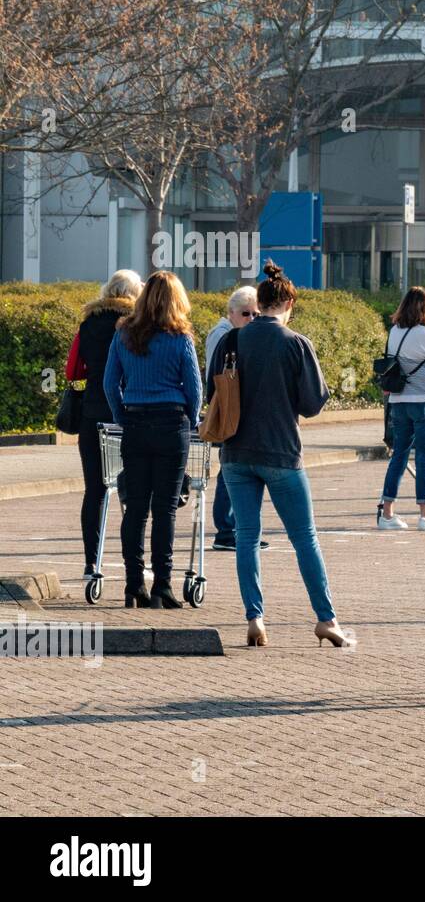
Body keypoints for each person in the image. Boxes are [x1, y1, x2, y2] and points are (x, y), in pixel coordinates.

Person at [208, 262, 353, 649]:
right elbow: (312, 404)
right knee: (305, 538)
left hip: (236, 452)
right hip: (281, 453)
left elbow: (213, 391)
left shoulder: (231, 341)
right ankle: (326, 619)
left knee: (246, 537)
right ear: (288, 302)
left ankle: (255, 617)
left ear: (259, 301)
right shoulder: (295, 343)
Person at [103, 271, 202, 609]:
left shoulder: (124, 334)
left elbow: (108, 383)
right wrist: (190, 420)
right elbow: (194, 388)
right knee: (165, 510)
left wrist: (122, 416)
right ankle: (163, 585)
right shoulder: (180, 338)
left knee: (136, 509)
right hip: (171, 424)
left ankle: (133, 585)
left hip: (135, 423)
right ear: (178, 301)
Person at [65, 270, 143, 587]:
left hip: (91, 413)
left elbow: (73, 369)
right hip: (128, 413)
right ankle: (133, 565)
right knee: (133, 491)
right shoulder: (135, 324)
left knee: (95, 491)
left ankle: (90, 563)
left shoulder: (88, 322)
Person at [377, 286, 425, 531]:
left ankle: (387, 512)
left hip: (399, 401)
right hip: (424, 401)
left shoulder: (395, 332)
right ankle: (424, 515)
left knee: (398, 456)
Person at [204, 286, 265, 550]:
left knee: (234, 470)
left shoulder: (233, 333)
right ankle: (227, 530)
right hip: (229, 408)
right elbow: (219, 375)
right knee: (230, 471)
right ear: (231, 313)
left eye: (256, 314)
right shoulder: (224, 335)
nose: (251, 319)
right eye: (245, 313)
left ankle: (235, 530)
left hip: (237, 408)